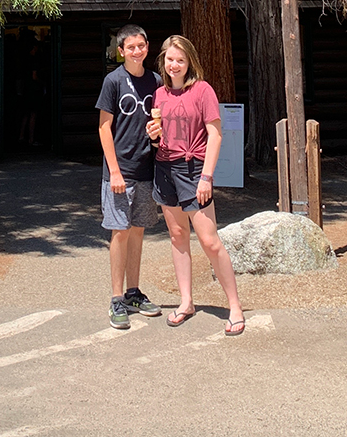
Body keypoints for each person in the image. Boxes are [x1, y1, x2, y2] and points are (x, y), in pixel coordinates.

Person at [146, 34, 245, 336]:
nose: (174, 65)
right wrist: (152, 135)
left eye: (180, 60)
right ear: (163, 62)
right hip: (164, 167)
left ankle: (235, 307)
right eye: (169, 59)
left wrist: (206, 177)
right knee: (177, 236)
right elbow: (159, 136)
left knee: (209, 240)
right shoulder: (160, 94)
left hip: (194, 169)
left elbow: (215, 135)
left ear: (190, 63)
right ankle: (186, 301)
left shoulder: (202, 91)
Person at [96, 23, 163, 330]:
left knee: (138, 231)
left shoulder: (156, 81)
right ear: (121, 51)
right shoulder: (113, 81)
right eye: (131, 47)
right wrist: (113, 171)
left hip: (146, 169)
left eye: (142, 46)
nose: (137, 51)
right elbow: (104, 127)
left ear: (147, 47)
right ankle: (116, 298)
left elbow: (159, 122)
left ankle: (134, 292)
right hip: (120, 171)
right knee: (119, 231)